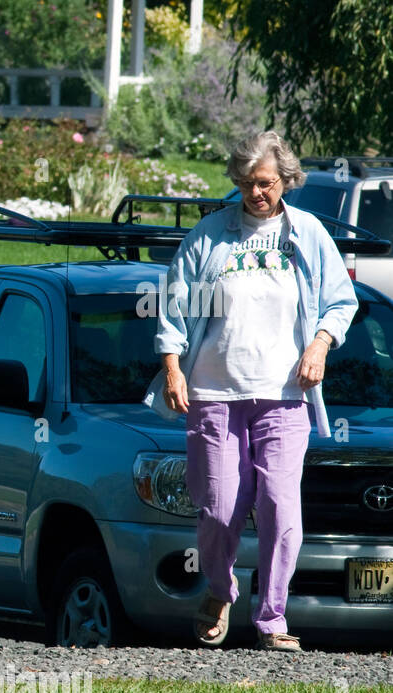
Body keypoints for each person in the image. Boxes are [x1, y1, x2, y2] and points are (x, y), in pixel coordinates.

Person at [142, 130, 357, 652]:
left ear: (286, 180)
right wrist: (173, 369)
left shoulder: (307, 234)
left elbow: (340, 301)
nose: (255, 192)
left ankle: (272, 618)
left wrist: (320, 346)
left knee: (281, 506)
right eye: (247, 183)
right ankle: (220, 589)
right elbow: (172, 305)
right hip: (214, 391)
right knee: (219, 505)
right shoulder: (211, 235)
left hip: (285, 393)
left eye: (265, 183)